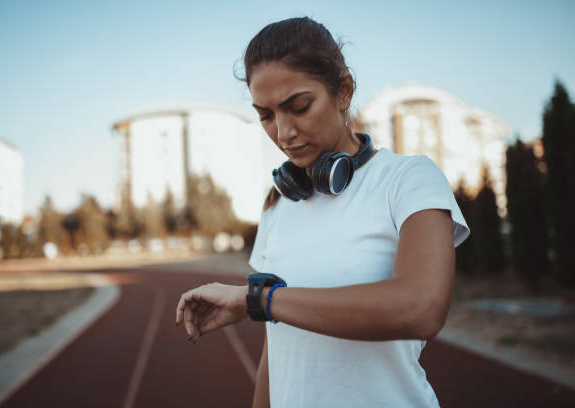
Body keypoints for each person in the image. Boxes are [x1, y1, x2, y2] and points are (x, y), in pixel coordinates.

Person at [175, 16, 470, 407]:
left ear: (343, 91)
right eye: (265, 115)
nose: (283, 132)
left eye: (298, 106)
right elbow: (277, 351)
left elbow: (420, 307)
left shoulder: (409, 179)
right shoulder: (278, 202)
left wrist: (260, 299)